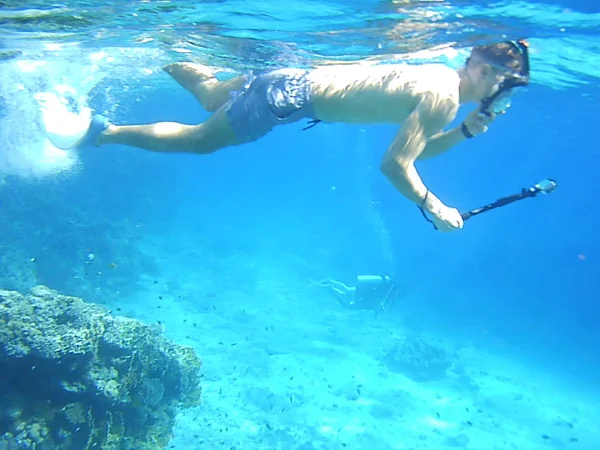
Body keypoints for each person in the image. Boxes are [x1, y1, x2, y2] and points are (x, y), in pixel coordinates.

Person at [71, 40, 530, 232]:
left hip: (291, 80)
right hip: (287, 100)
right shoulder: (442, 98)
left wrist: (466, 132)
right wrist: (435, 206)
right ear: (484, 71)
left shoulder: (438, 77)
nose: (501, 94)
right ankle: (101, 132)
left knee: (211, 94)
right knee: (199, 140)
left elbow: (418, 150)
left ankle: (165, 48)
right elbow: (395, 165)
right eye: (504, 84)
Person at [315, 275, 402, 311]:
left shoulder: (388, 290)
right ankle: (332, 286)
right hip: (364, 293)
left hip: (364, 291)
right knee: (346, 291)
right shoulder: (388, 292)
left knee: (346, 291)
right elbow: (378, 300)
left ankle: (331, 282)